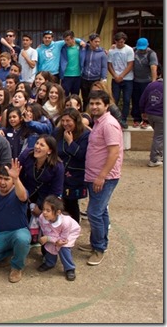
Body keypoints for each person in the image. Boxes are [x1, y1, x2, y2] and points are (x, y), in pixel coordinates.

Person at [79, 90, 123, 266]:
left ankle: (98, 248)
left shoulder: (109, 124)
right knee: (101, 211)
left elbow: (113, 152)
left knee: (94, 213)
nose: (94, 106)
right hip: (94, 175)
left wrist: (102, 176)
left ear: (106, 105)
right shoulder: (98, 122)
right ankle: (99, 243)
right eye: (92, 103)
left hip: (103, 177)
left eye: (98, 104)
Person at [55, 108, 90, 223]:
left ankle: (74, 226)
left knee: (71, 202)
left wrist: (70, 142)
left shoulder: (85, 134)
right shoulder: (58, 132)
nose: (65, 123)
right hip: (59, 171)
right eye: (63, 120)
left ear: (76, 121)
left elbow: (81, 155)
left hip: (75, 174)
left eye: (68, 121)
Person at [37, 195, 81, 281]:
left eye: (48, 210)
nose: (44, 212)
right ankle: (50, 262)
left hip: (69, 234)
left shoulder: (66, 223)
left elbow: (63, 239)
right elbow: (44, 230)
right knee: (49, 245)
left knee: (63, 248)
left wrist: (49, 239)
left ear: (58, 212)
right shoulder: (42, 217)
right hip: (52, 233)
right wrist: (45, 238)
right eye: (43, 209)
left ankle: (69, 268)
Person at [107, 32, 135, 128]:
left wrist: (121, 76)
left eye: (122, 42)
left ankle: (124, 119)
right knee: (115, 99)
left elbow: (130, 64)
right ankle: (114, 118)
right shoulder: (112, 51)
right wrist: (115, 75)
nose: (120, 44)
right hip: (115, 78)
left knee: (127, 99)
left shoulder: (129, 50)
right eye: (119, 42)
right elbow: (109, 65)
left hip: (127, 78)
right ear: (115, 41)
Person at [131, 38, 158, 128]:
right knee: (135, 100)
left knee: (146, 101)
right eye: (140, 48)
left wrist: (153, 82)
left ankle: (146, 120)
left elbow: (153, 68)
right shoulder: (133, 50)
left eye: (143, 48)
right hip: (135, 80)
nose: (142, 50)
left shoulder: (151, 54)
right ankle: (136, 119)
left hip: (147, 81)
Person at [139, 71, 163, 167]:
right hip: (161, 115)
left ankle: (160, 155)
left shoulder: (151, 85)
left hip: (150, 114)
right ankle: (154, 159)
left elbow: (142, 100)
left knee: (160, 136)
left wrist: (143, 112)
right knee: (159, 137)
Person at [79, 33, 108, 105]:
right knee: (85, 99)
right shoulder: (85, 50)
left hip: (95, 79)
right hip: (84, 78)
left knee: (94, 98)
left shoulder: (102, 53)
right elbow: (78, 41)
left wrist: (104, 78)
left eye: (98, 41)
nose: (97, 43)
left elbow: (104, 66)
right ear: (90, 41)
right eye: (95, 41)